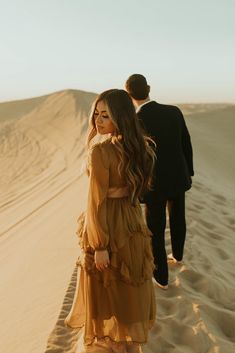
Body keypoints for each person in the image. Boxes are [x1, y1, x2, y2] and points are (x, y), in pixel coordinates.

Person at [65, 89, 156, 353]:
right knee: (127, 288)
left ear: (121, 117)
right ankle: (126, 344)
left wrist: (100, 244)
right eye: (96, 114)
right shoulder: (142, 148)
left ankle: (114, 345)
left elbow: (96, 202)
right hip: (131, 222)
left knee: (109, 290)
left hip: (107, 225)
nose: (98, 120)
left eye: (106, 115)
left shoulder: (101, 151)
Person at [125, 74, 194, 290]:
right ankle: (179, 256)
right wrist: (188, 171)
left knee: (155, 229)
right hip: (177, 177)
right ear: (149, 88)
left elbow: (133, 156)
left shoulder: (134, 121)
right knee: (177, 217)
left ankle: (162, 278)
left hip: (153, 184)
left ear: (129, 95)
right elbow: (186, 142)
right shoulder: (174, 111)